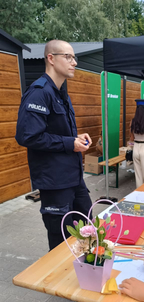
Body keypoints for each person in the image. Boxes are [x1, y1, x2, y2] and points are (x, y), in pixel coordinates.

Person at [15, 40, 92, 251]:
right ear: (51, 58)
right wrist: (69, 143)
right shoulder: (39, 92)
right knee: (62, 245)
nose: (74, 62)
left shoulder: (60, 93)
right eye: (68, 57)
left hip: (74, 179)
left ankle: (86, 277)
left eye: (74, 57)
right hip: (55, 183)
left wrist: (76, 137)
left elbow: (56, 133)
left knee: (89, 233)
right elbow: (27, 136)